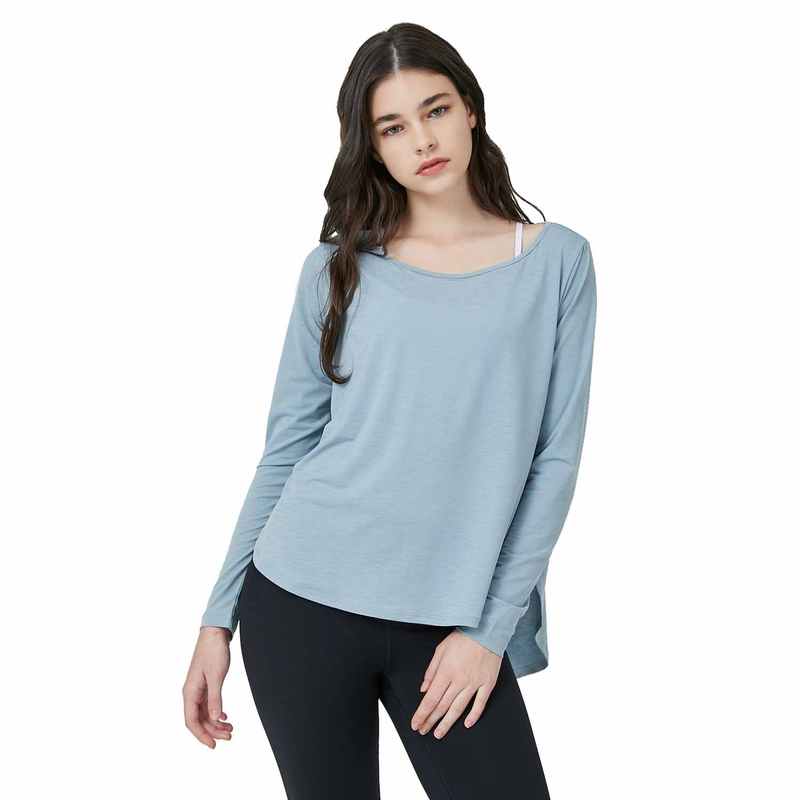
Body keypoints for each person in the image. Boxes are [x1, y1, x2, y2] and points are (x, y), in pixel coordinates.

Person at [182, 22, 597, 800]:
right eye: (393, 127)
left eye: (435, 110)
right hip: (299, 602)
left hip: (452, 619)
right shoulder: (336, 269)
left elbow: (555, 459)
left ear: (470, 109)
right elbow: (287, 451)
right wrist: (217, 620)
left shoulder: (556, 262)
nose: (423, 140)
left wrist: (487, 633)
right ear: (372, 146)